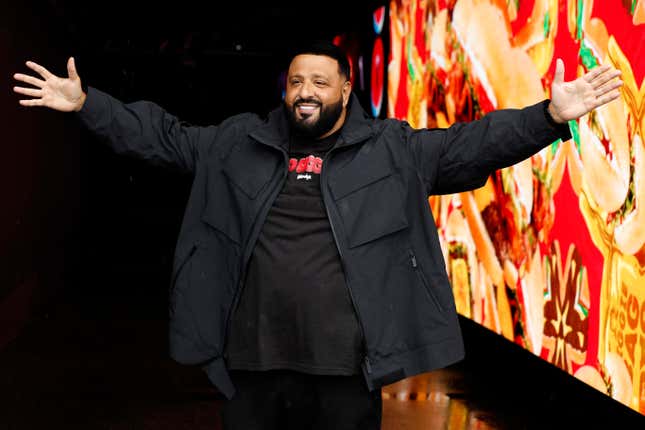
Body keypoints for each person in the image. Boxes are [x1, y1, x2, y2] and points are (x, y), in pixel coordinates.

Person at [13, 40, 622, 429]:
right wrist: (88, 103)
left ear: (345, 90)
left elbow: (472, 143)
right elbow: (162, 136)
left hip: (344, 371)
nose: (306, 93)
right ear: (286, 88)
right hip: (251, 363)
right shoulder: (237, 143)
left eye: (320, 83)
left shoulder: (391, 150)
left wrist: (548, 117)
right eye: (297, 82)